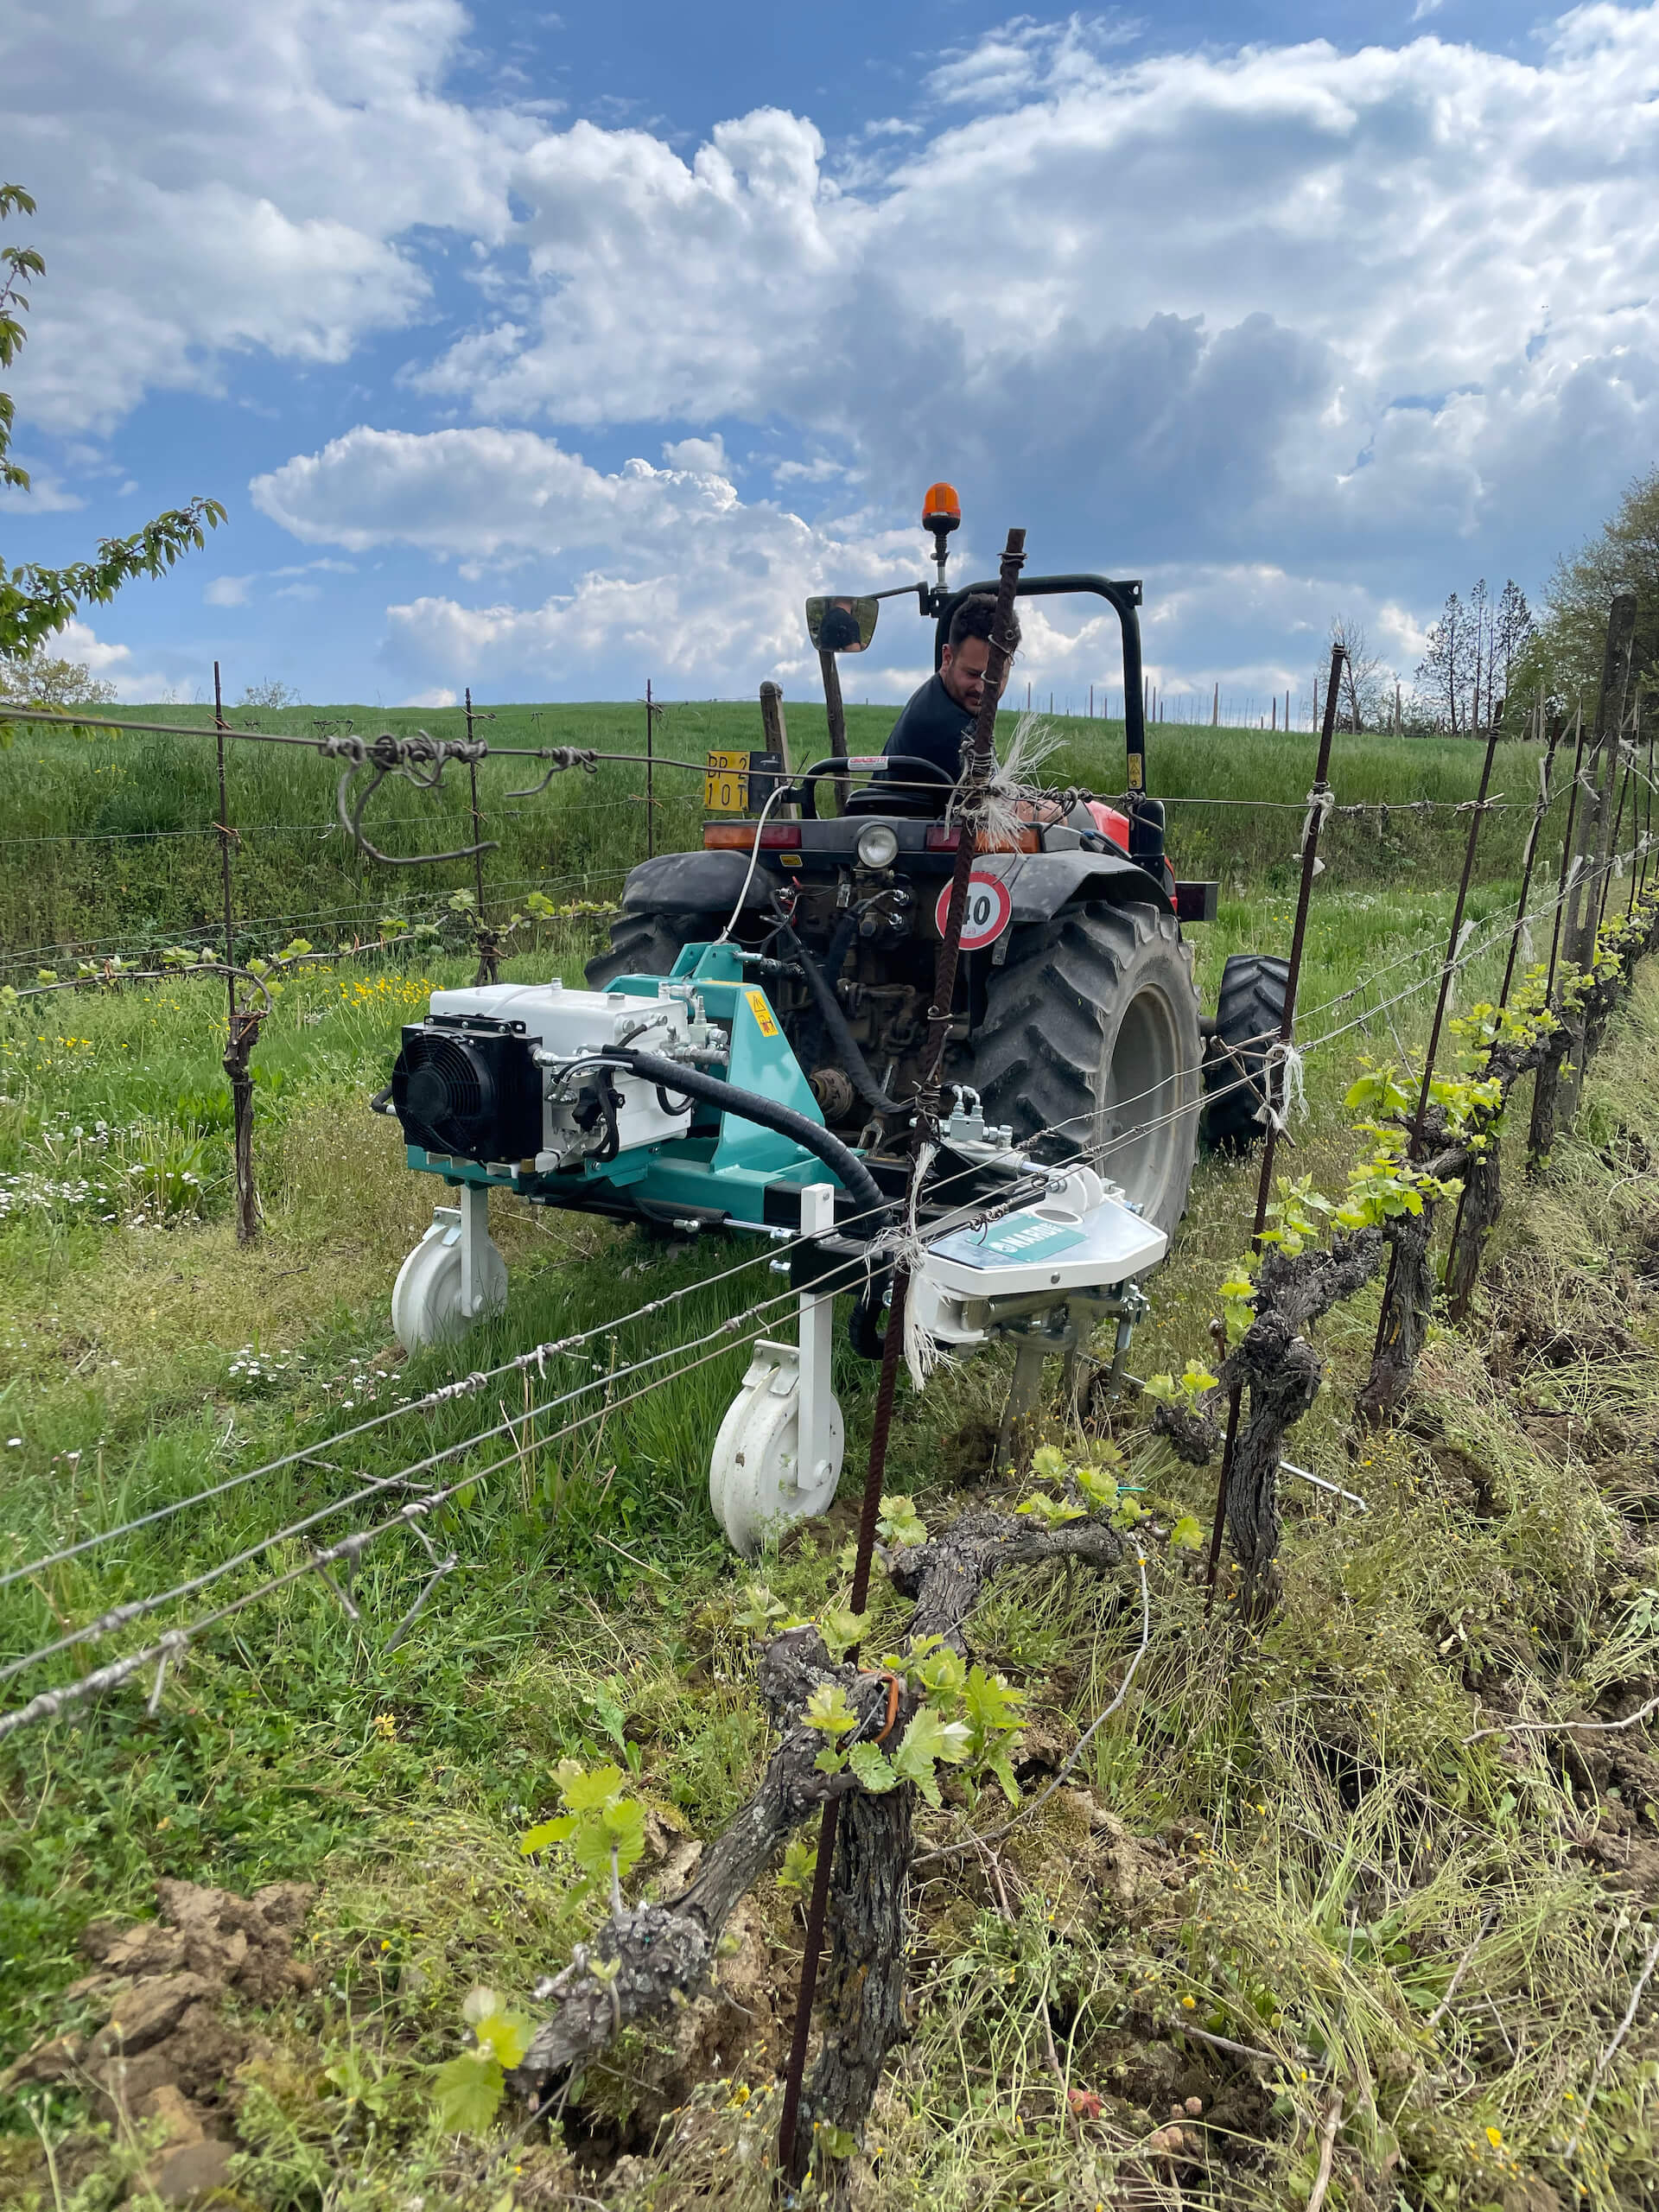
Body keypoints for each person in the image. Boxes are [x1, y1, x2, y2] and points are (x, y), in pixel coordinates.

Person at [879, 593, 1020, 791]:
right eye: (973, 674)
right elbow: (996, 806)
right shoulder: (957, 734)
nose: (982, 689)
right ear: (947, 658)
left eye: (995, 679)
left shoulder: (936, 696)